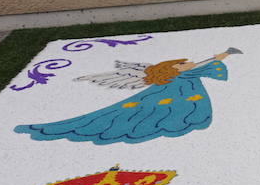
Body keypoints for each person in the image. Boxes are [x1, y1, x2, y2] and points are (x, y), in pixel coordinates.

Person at [15, 49, 239, 145]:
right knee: (137, 112)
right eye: (182, 63)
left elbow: (202, 63)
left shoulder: (187, 73)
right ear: (170, 68)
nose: (187, 64)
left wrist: (224, 54)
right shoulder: (177, 77)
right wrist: (222, 55)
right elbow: (201, 64)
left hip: (185, 93)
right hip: (174, 95)